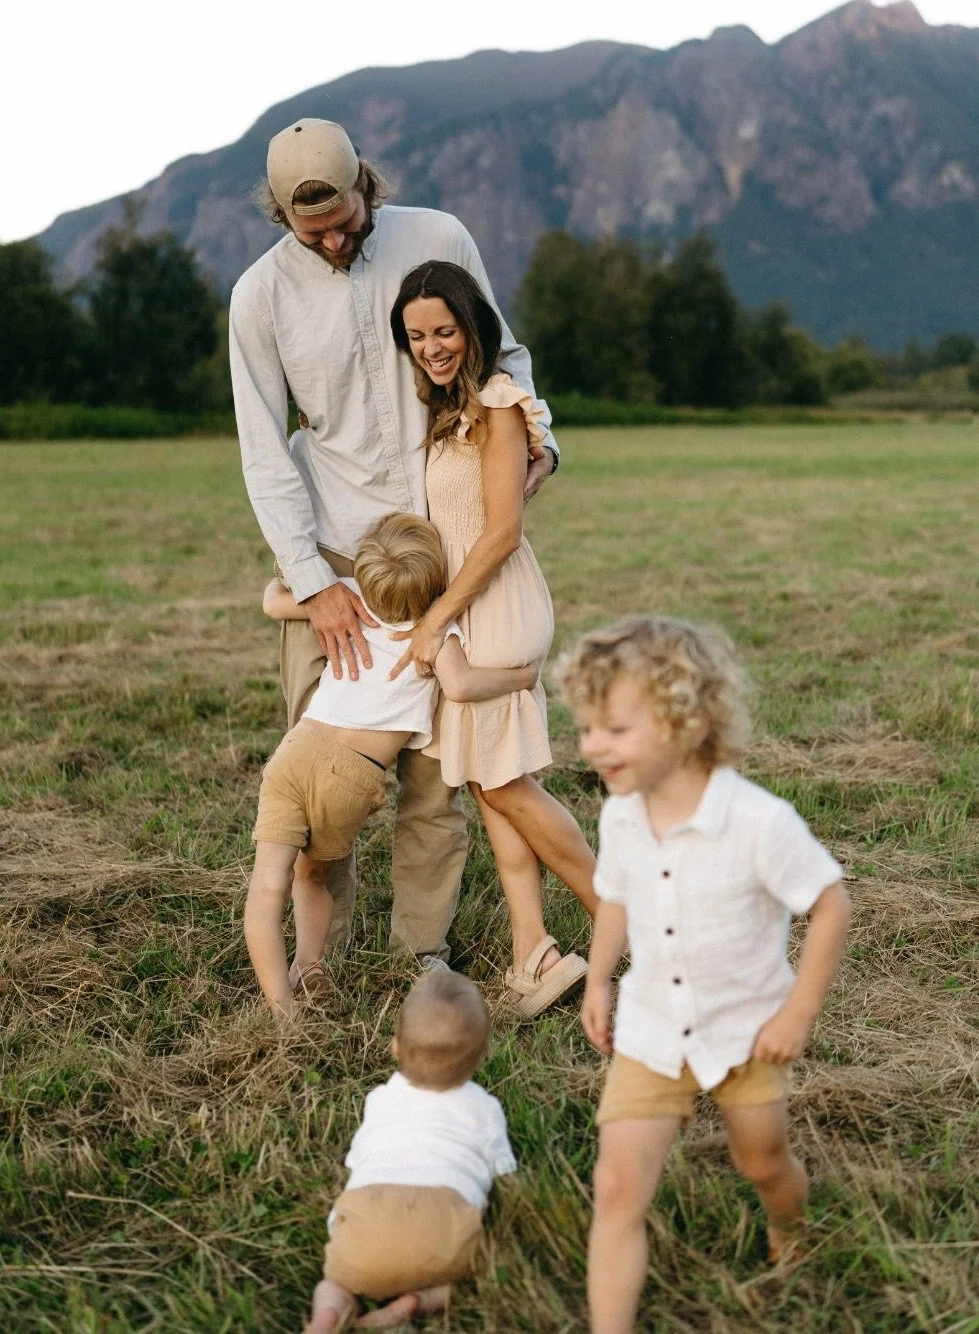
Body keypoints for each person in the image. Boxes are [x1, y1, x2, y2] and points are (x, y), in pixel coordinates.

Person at [229, 116, 559, 968]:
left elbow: (503, 356)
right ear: (281, 216)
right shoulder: (258, 298)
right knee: (323, 772)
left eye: (344, 217)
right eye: (314, 230)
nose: (335, 238)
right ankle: (319, 956)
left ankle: (422, 951)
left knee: (432, 782)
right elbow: (264, 451)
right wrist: (308, 580)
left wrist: (540, 441)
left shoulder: (437, 237)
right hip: (336, 558)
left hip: (440, 553)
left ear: (365, 184)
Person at [558, 616, 853, 1334]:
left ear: (685, 722)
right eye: (587, 728)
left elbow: (831, 905)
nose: (591, 745)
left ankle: (791, 1225)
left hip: (746, 1034)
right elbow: (616, 898)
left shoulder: (758, 822)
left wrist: (797, 1014)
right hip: (652, 1029)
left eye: (614, 729)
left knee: (763, 1162)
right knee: (617, 1185)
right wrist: (598, 982)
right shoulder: (621, 815)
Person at [387, 260, 596, 1018]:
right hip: (468, 604)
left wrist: (439, 617)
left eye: (443, 330)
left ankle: (622, 921)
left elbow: (503, 531)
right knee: (489, 782)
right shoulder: (451, 412)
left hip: (495, 604)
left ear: (473, 328)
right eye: (417, 336)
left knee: (508, 783)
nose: (432, 346)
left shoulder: (500, 405)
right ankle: (533, 952)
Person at [246, 513, 537, 1015]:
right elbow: (463, 686)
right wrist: (522, 678)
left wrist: (289, 569)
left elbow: (272, 601)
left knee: (272, 882)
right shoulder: (435, 635)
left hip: (292, 755)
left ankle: (283, 1001)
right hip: (349, 775)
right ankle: (310, 966)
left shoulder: (349, 599)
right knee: (313, 874)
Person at [305, 968, 516, 1333]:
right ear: (481, 1057)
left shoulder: (380, 1100)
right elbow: (504, 1173)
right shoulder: (484, 1108)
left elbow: (356, 1160)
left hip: (365, 1227)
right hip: (445, 1226)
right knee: (479, 1274)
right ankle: (423, 1300)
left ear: (395, 1046)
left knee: (335, 1281)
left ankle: (333, 1308)